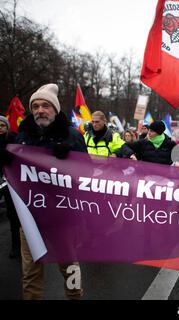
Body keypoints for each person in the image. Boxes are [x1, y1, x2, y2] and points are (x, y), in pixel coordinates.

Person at [14, 83, 86, 300]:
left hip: (62, 218)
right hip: (29, 218)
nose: (39, 110)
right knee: (30, 274)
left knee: (70, 269)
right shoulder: (22, 136)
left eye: (45, 105)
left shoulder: (72, 136)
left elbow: (86, 175)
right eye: (35, 106)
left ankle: (75, 297)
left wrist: (70, 158)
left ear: (55, 110)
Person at [0, 116, 21, 259]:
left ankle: (16, 246)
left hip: (11, 183)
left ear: (7, 127)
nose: (0, 127)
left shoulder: (14, 140)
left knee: (13, 215)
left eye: (2, 125)